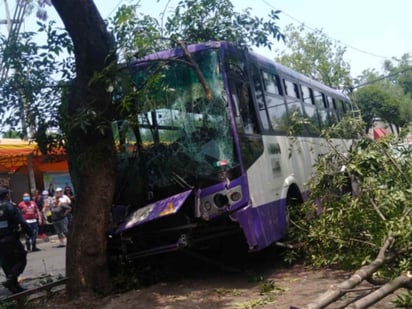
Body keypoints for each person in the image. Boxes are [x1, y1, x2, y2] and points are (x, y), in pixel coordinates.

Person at [0, 187, 33, 293]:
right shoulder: (9, 206)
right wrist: (29, 231)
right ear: (6, 195)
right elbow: (20, 220)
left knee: (6, 261)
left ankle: (14, 286)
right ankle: (12, 278)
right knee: (21, 257)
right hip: (10, 237)